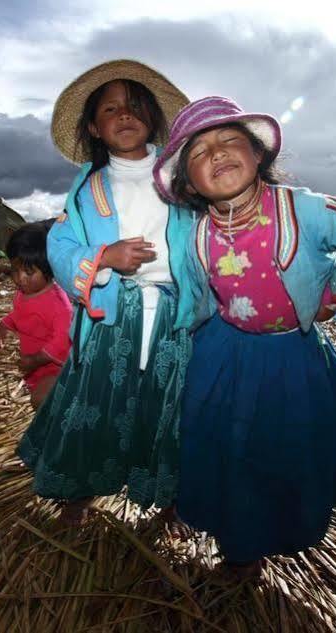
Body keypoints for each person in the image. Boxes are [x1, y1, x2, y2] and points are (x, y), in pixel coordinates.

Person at [151, 96, 336, 580]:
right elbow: (197, 291)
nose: (216, 155)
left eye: (229, 142)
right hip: (223, 352)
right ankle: (240, 545)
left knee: (279, 444)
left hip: (290, 357)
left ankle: (272, 529)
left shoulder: (307, 210)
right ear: (187, 183)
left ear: (259, 155)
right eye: (199, 154)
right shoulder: (197, 234)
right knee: (223, 442)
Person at [16, 60, 199, 526]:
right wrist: (103, 257)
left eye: (135, 107)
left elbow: (206, 232)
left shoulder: (180, 177)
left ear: (153, 120)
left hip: (173, 315)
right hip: (112, 313)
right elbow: (61, 243)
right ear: (95, 128)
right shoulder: (86, 188)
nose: (124, 115)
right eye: (111, 109)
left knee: (168, 404)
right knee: (94, 404)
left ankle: (171, 502)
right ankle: (78, 490)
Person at [0, 223, 73, 409]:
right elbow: (21, 315)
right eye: (14, 270)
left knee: (40, 400)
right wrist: (4, 325)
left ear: (49, 269)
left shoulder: (59, 305)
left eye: (29, 272)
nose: (19, 278)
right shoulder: (23, 294)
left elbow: (62, 341)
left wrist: (36, 360)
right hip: (33, 368)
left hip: (57, 368)